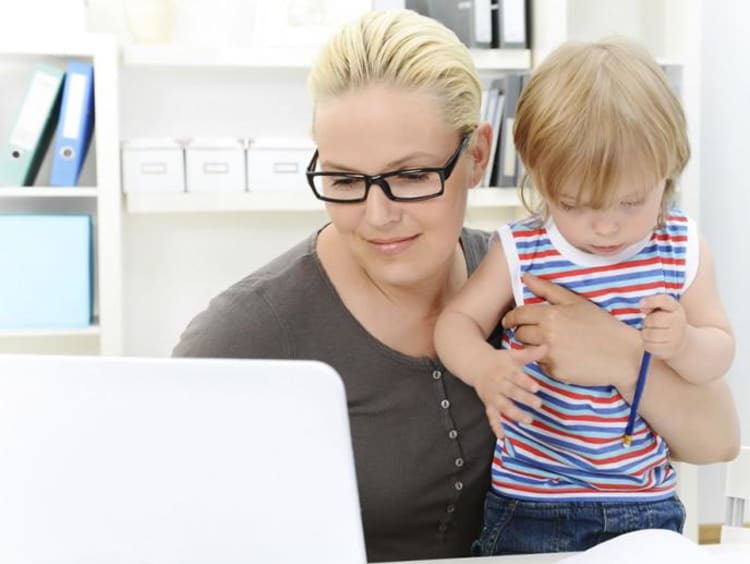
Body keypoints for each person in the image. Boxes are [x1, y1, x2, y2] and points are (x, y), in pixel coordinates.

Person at [173, 10, 740, 562]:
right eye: (345, 179)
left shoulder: (536, 270)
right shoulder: (247, 331)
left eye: (412, 175)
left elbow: (717, 440)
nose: (377, 215)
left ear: (477, 156)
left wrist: (619, 354)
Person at [434, 37, 737, 556]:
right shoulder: (522, 250)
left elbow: (719, 351)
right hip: (531, 504)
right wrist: (485, 369)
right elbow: (453, 324)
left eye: (631, 200)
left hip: (646, 506)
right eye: (574, 204)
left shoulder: (680, 248)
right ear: (540, 178)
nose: (605, 225)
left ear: (668, 169)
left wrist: (684, 343)